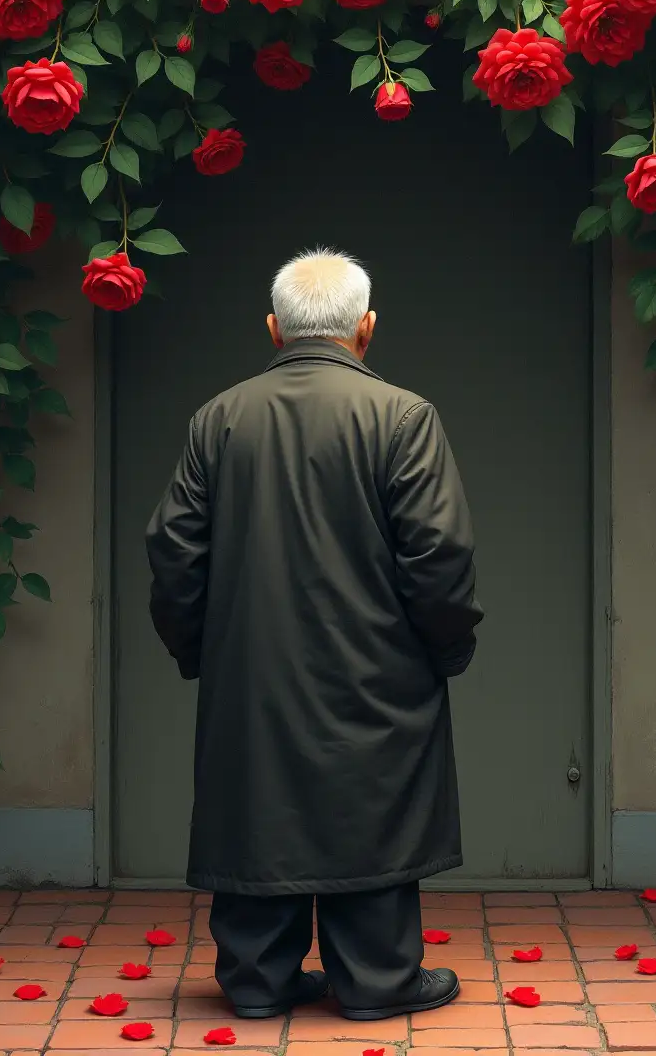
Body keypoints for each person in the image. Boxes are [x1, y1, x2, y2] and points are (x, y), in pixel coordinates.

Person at [145, 247, 483, 1023]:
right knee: (374, 799)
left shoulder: (218, 418)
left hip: (249, 673)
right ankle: (377, 978)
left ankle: (257, 979)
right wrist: (446, 651)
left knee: (258, 800)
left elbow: (172, 553)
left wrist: (201, 650)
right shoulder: (403, 416)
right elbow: (441, 555)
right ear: (367, 329)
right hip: (381, 669)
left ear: (274, 329)